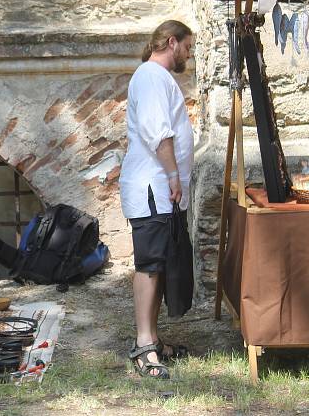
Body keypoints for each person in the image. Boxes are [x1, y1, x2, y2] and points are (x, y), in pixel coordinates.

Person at [118, 20, 194, 379]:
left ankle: (153, 339)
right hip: (152, 186)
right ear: (171, 41)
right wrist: (173, 175)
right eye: (188, 48)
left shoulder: (157, 77)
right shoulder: (149, 75)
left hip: (161, 189)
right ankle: (144, 345)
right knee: (149, 265)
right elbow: (157, 131)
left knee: (160, 263)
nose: (189, 55)